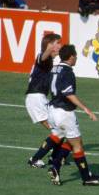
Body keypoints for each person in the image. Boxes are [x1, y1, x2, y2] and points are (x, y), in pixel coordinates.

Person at [31, 44, 99, 186]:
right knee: (77, 145)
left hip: (52, 110)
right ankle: (85, 177)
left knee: (63, 138)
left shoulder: (54, 68)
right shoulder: (68, 71)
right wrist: (86, 109)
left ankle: (54, 166)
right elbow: (69, 94)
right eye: (75, 56)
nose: (76, 58)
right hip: (64, 113)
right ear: (71, 57)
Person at [26, 33, 72, 169]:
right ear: (50, 45)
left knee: (59, 131)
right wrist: (49, 48)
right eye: (58, 42)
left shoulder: (49, 61)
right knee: (58, 131)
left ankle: (55, 158)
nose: (60, 45)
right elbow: (43, 56)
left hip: (39, 98)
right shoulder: (43, 58)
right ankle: (37, 159)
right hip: (36, 98)